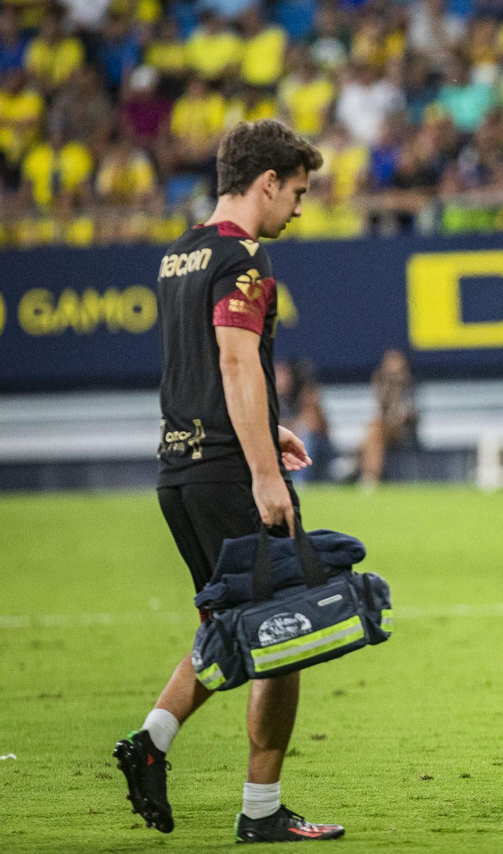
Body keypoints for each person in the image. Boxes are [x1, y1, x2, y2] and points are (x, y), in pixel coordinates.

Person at [114, 120, 345, 842]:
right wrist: (264, 472)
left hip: (179, 469)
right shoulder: (247, 258)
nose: (300, 209)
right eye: (297, 192)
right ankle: (260, 808)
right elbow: (238, 362)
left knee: (230, 624)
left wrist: (264, 426)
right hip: (229, 474)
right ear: (266, 182)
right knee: (290, 631)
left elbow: (196, 369)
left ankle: (152, 740)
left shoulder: (180, 254)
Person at [359, 349, 418, 488]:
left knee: (375, 431)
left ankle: (364, 472)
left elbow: (407, 416)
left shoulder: (409, 384)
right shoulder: (381, 382)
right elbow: (381, 408)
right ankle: (369, 475)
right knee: (376, 432)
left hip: (405, 432)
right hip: (384, 431)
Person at [275, 360, 330, 484]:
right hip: (285, 445)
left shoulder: (303, 396)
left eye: (283, 375)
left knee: (307, 435)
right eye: (277, 375)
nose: (280, 380)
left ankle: (300, 480)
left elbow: (315, 424)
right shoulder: (270, 398)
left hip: (318, 447)